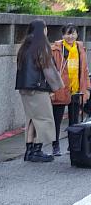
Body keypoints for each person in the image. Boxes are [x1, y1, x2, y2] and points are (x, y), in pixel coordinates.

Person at [16, 20, 60, 162]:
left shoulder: (24, 46)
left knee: (31, 119)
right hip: (38, 87)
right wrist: (57, 87)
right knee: (43, 119)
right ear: (43, 30)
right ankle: (37, 150)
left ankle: (29, 151)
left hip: (24, 87)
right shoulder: (42, 47)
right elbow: (49, 70)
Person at [50, 24, 89, 155]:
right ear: (62, 35)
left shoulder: (80, 48)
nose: (70, 36)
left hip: (76, 89)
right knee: (57, 120)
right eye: (67, 33)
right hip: (61, 89)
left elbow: (85, 70)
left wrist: (87, 88)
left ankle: (72, 146)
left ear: (77, 34)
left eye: (73, 33)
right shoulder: (56, 49)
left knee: (74, 121)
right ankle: (55, 146)